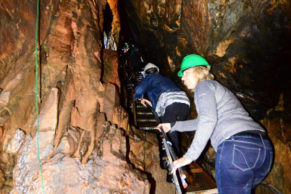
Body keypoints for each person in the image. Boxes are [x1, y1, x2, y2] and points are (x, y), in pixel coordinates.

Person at [157, 54, 274, 193]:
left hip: (236, 147)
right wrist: (173, 126)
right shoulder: (217, 88)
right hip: (263, 150)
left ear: (197, 71)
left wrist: (189, 157)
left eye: (186, 72)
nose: (182, 78)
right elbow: (202, 121)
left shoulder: (203, 86)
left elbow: (208, 120)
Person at [134, 62, 190, 159]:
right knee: (174, 129)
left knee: (169, 132)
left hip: (170, 103)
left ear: (145, 73)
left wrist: (138, 98)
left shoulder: (149, 78)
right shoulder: (165, 79)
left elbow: (139, 90)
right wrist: (153, 105)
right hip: (184, 102)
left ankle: (176, 160)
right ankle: (178, 156)